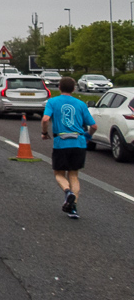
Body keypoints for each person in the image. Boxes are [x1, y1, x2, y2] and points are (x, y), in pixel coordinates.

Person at [41, 77, 97, 219]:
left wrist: (44, 133)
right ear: (74, 89)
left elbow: (45, 119)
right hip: (79, 142)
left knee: (59, 174)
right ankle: (73, 209)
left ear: (59, 87)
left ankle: (67, 192)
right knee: (74, 175)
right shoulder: (81, 104)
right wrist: (88, 136)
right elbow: (94, 126)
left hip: (61, 142)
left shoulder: (53, 102)